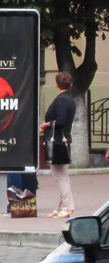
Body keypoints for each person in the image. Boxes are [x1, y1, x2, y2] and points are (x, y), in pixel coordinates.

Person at [41, 71, 76, 217]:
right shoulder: (70, 99)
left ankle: (67, 208)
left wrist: (46, 125)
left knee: (60, 177)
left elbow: (60, 121)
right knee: (63, 176)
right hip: (64, 140)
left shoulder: (61, 100)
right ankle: (61, 207)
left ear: (57, 84)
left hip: (57, 141)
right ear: (71, 85)